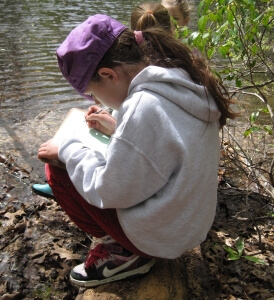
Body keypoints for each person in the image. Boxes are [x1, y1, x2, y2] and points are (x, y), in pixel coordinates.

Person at [37, 14, 237, 288]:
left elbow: (108, 191)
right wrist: (118, 126)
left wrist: (69, 149)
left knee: (56, 168)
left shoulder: (143, 106)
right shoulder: (178, 78)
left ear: (109, 75)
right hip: (189, 225)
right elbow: (165, 144)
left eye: (93, 94)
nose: (95, 101)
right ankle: (125, 243)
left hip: (162, 238)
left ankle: (124, 254)